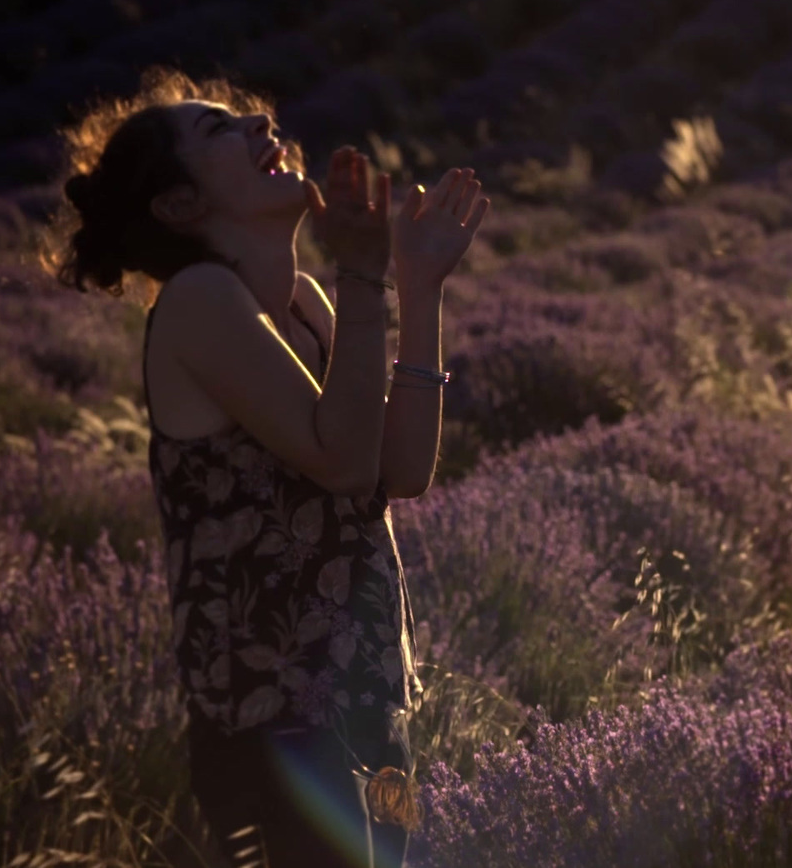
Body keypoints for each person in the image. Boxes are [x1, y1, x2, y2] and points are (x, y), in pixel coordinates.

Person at [39, 66, 490, 868]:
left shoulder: (307, 304)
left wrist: (418, 290)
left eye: (250, 117)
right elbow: (345, 463)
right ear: (179, 206)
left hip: (373, 704)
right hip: (274, 731)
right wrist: (363, 274)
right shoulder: (197, 300)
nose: (260, 127)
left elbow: (401, 470)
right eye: (219, 129)